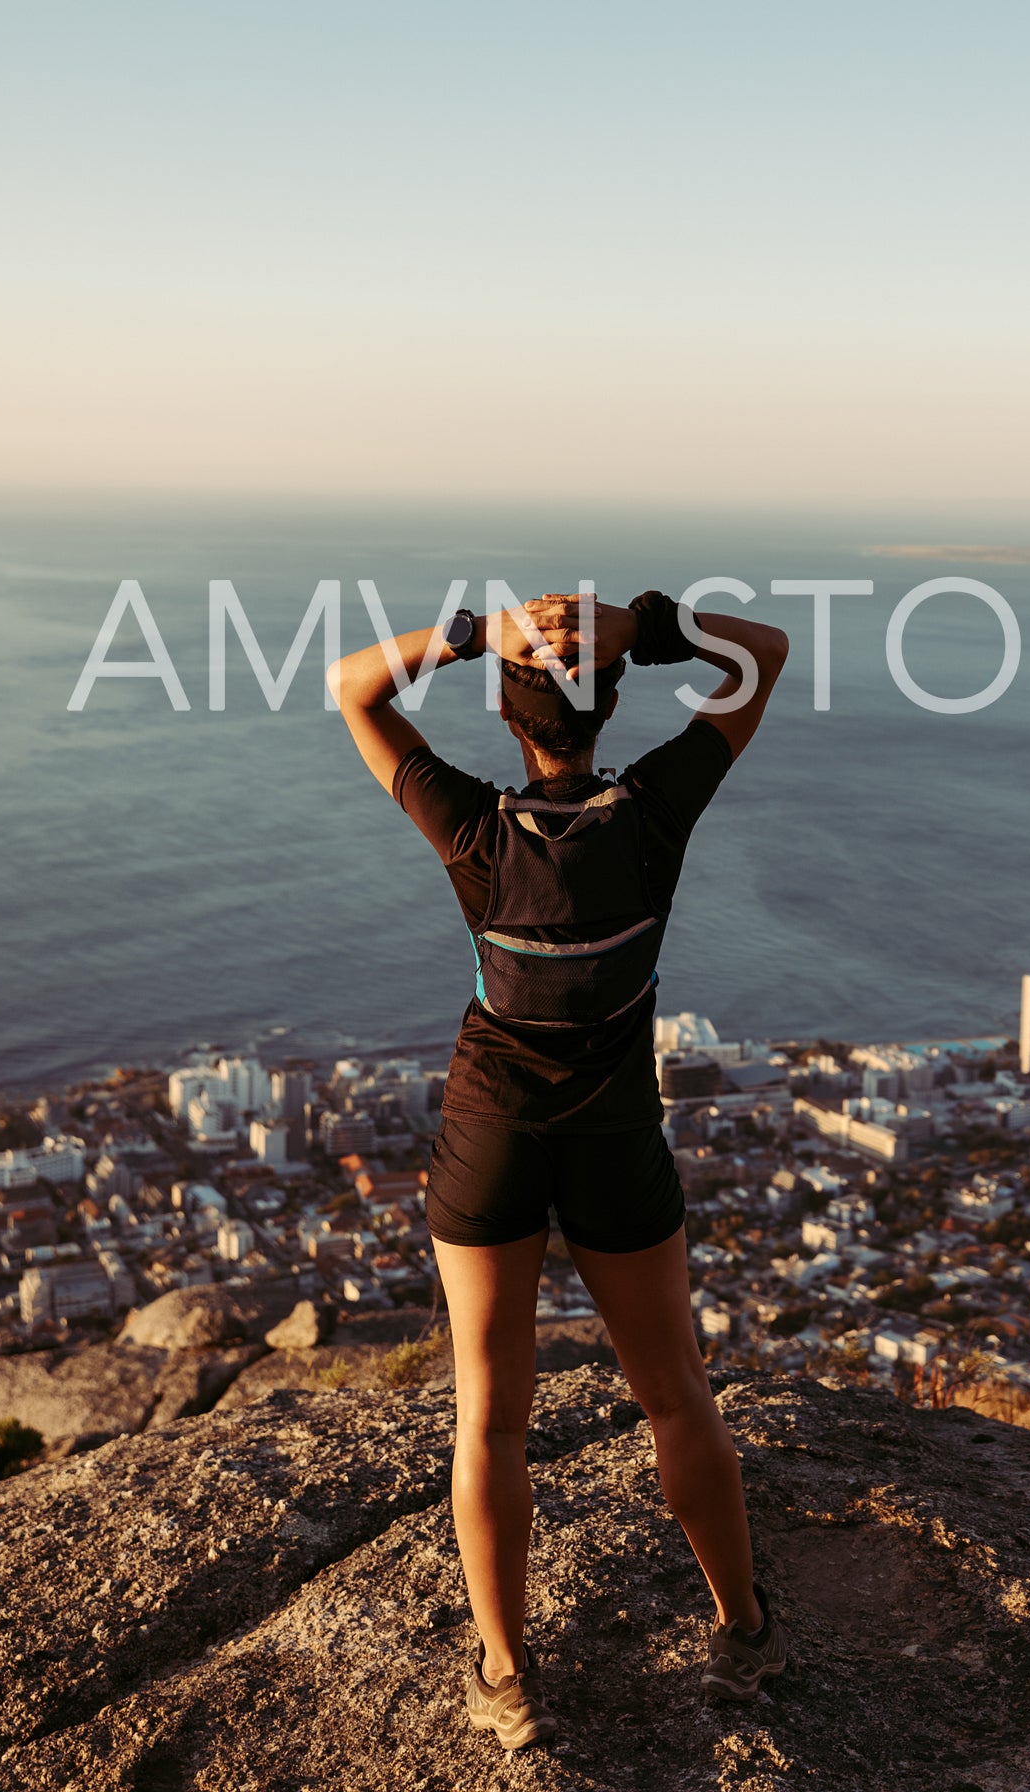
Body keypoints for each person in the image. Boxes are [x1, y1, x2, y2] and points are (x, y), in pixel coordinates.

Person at [328, 587, 791, 1750]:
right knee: (675, 1393)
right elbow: (767, 654)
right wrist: (647, 621)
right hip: (614, 1132)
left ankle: (505, 1673)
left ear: (506, 715)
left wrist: (475, 630)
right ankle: (740, 1630)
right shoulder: (652, 815)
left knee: (487, 1419)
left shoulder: (473, 827)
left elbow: (352, 686)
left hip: (488, 1131)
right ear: (611, 706)